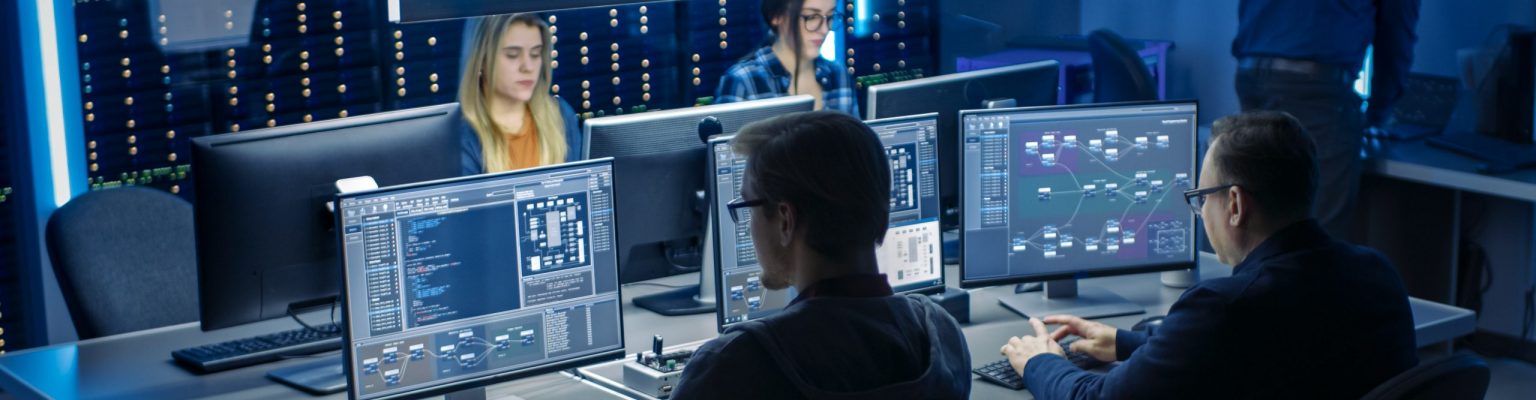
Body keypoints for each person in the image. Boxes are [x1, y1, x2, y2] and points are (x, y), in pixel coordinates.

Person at [1000, 112, 1418, 398]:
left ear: (1234, 204)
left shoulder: (1225, 309)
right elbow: (1243, 348)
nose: (1200, 213)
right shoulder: (1375, 274)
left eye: (1202, 198)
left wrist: (1039, 363)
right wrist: (1127, 342)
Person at [670, 112, 969, 400]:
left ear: (786, 220)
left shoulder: (729, 367)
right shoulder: (941, 339)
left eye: (748, 207)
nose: (749, 227)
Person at [1232, 0, 1420, 238]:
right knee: (1318, 237)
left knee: (1255, 222)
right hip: (1316, 89)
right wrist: (1377, 114)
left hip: (1252, 77)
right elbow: (1395, 40)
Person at [458, 13, 583, 175]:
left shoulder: (560, 114)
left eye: (535, 54)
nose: (528, 67)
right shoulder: (463, 137)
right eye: (513, 55)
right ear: (481, 59)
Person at [714, 0, 860, 116]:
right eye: (811, 17)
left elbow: (857, 148)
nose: (824, 29)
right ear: (777, 16)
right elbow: (725, 152)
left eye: (830, 16)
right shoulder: (742, 81)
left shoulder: (839, 75)